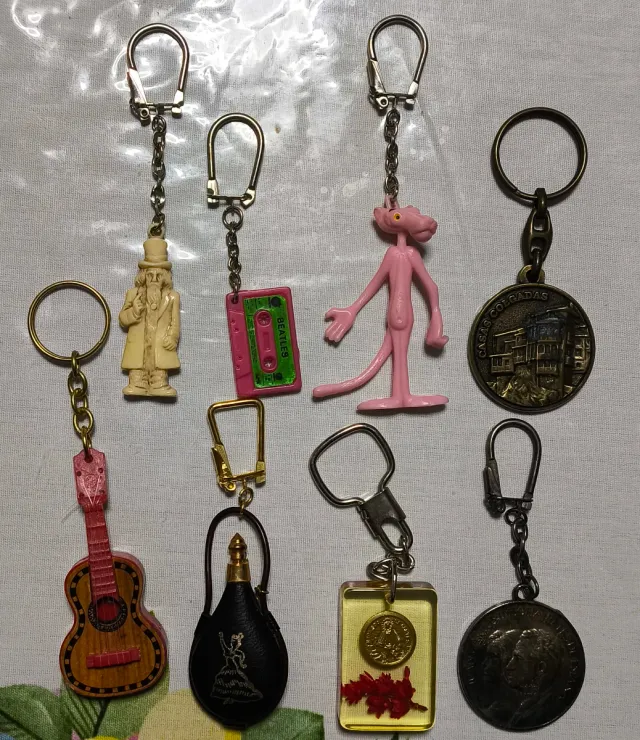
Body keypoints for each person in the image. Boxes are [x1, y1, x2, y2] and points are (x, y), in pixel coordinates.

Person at [119, 237, 180, 397]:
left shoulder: (172, 297)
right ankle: (137, 383)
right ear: (143, 276)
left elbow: (175, 322)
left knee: (160, 366)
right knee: (137, 366)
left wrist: (172, 337)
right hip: (139, 342)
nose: (154, 279)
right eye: (150, 275)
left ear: (165, 277)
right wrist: (134, 312)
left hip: (160, 343)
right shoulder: (133, 294)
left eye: (158, 276)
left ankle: (159, 384)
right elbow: (122, 320)